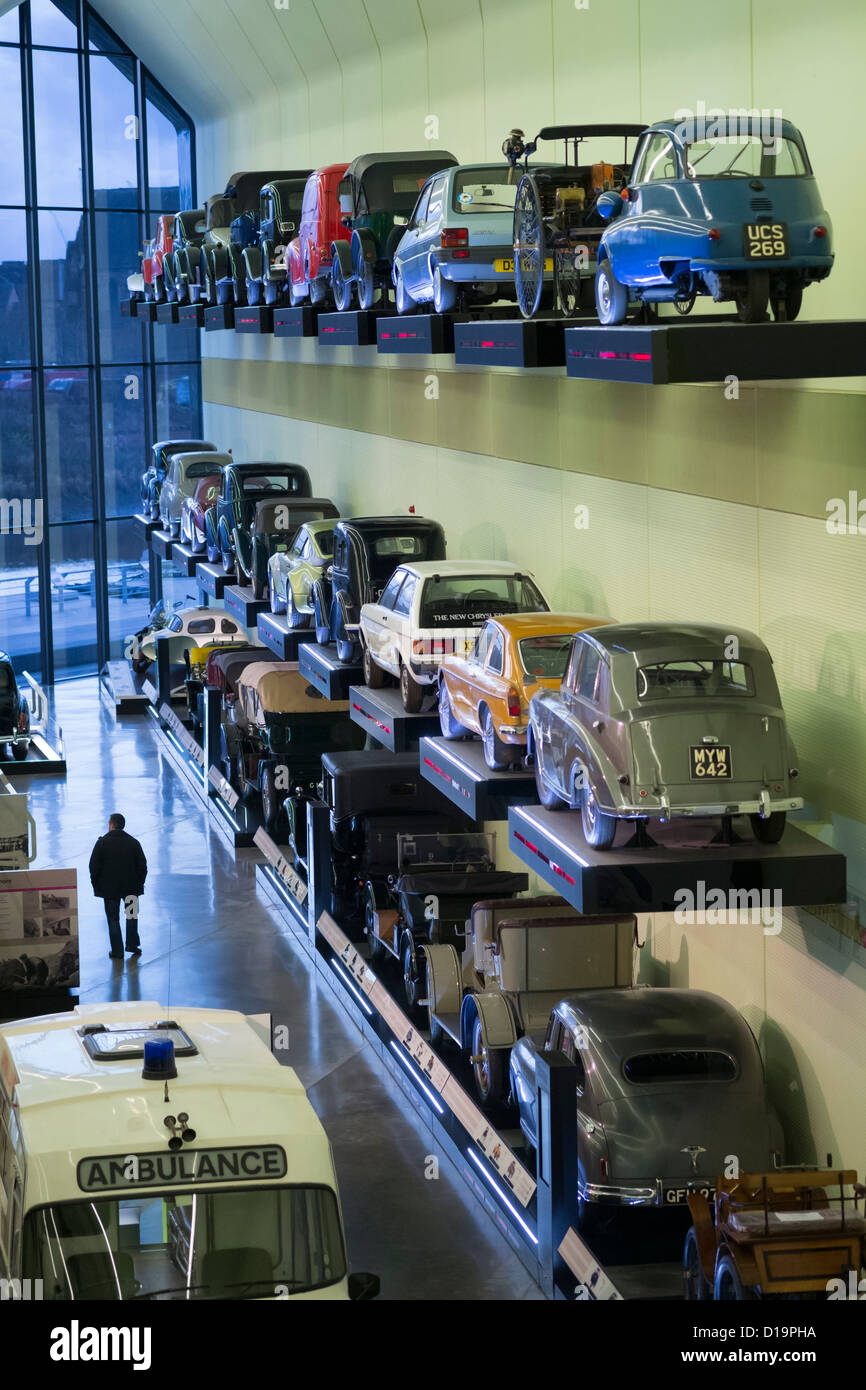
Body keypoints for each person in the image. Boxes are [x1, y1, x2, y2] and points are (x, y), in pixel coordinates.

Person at [89, 813, 148, 960]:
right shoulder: (134, 843)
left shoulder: (102, 843)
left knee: (113, 919)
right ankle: (132, 945)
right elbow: (143, 867)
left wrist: (97, 885)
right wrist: (140, 883)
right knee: (132, 916)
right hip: (132, 889)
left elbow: (93, 867)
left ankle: (117, 951)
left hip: (110, 891)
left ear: (111, 825)